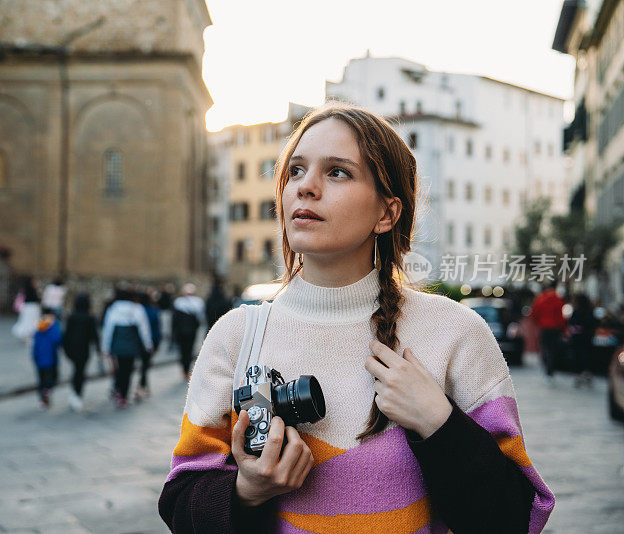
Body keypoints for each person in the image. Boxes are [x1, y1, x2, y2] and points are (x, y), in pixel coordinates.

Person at [159, 103, 554, 533]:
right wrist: (247, 491)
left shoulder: (455, 333)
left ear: (387, 213)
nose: (305, 188)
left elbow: (514, 518)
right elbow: (181, 506)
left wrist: (438, 423)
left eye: (337, 172)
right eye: (295, 170)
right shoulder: (236, 337)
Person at [101, 287, 154, 409]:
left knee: (119, 368)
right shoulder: (137, 309)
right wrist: (148, 345)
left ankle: (118, 390)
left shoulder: (113, 308)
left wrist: (105, 347)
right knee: (128, 370)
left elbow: (107, 330)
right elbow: (144, 330)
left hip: (117, 344)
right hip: (131, 344)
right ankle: (124, 395)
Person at [62, 293, 100, 412]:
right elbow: (95, 336)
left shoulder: (71, 317)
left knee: (76, 370)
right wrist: (99, 349)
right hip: (84, 349)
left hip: (71, 349)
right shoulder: (90, 318)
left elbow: (66, 334)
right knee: (80, 371)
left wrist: (65, 348)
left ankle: (75, 392)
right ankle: (77, 393)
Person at [530, 280, 567, 386]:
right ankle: (550, 371)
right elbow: (561, 317)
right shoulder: (558, 300)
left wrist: (538, 324)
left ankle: (547, 369)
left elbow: (534, 314)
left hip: (544, 328)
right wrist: (563, 329)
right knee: (552, 350)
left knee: (545, 349)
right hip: (555, 329)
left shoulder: (540, 299)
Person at [172, 283, 206, 382]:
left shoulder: (182, 302)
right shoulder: (180, 302)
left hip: (187, 331)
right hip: (187, 331)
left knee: (186, 350)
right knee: (186, 350)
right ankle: (185, 369)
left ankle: (185, 369)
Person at [32, 307, 62, 409]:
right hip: (51, 357)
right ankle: (47, 393)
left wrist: (34, 356)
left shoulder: (38, 325)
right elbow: (57, 339)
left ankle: (42, 399)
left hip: (39, 358)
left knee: (41, 379)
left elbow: (35, 344)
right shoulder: (53, 325)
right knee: (51, 378)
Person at [135, 289, 162, 401]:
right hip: (149, 342)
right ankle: (141, 387)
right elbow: (156, 329)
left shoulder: (135, 310)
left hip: (135, 342)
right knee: (145, 366)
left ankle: (142, 387)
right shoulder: (153, 311)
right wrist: (156, 344)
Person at [567, 293, 597, 388]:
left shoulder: (576, 312)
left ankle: (578, 375)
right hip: (586, 338)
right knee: (586, 355)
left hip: (578, 338)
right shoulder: (590, 311)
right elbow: (594, 324)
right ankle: (586, 373)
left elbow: (571, 322)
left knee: (577, 356)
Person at [12, 276, 41, 343]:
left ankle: (27, 335)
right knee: (31, 322)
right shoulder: (32, 289)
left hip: (27, 307)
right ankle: (29, 335)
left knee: (26, 321)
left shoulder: (25, 289)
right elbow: (35, 298)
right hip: (31, 307)